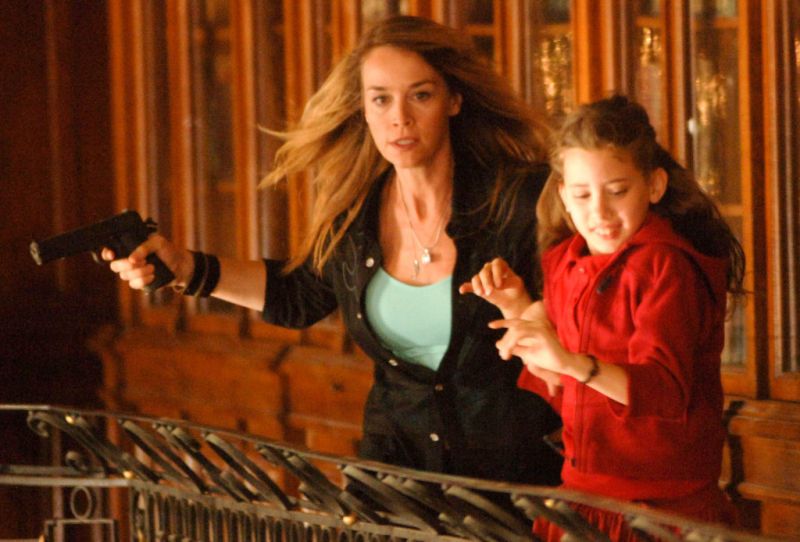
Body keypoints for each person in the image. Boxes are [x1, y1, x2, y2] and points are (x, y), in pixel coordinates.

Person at [104, 15, 563, 485]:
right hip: (395, 480)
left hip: (512, 481)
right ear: (363, 109)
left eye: (420, 95)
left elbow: (580, 315)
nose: (399, 117)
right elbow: (300, 294)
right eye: (381, 99)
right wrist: (185, 267)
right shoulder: (354, 215)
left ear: (454, 99)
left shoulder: (520, 201)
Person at [462, 95, 745, 537]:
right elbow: (562, 387)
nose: (599, 212)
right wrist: (516, 309)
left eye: (617, 191)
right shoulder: (566, 261)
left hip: (661, 506)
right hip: (584, 494)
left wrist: (572, 362)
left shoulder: (667, 266)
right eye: (582, 195)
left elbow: (666, 391)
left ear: (654, 186)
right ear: (563, 196)